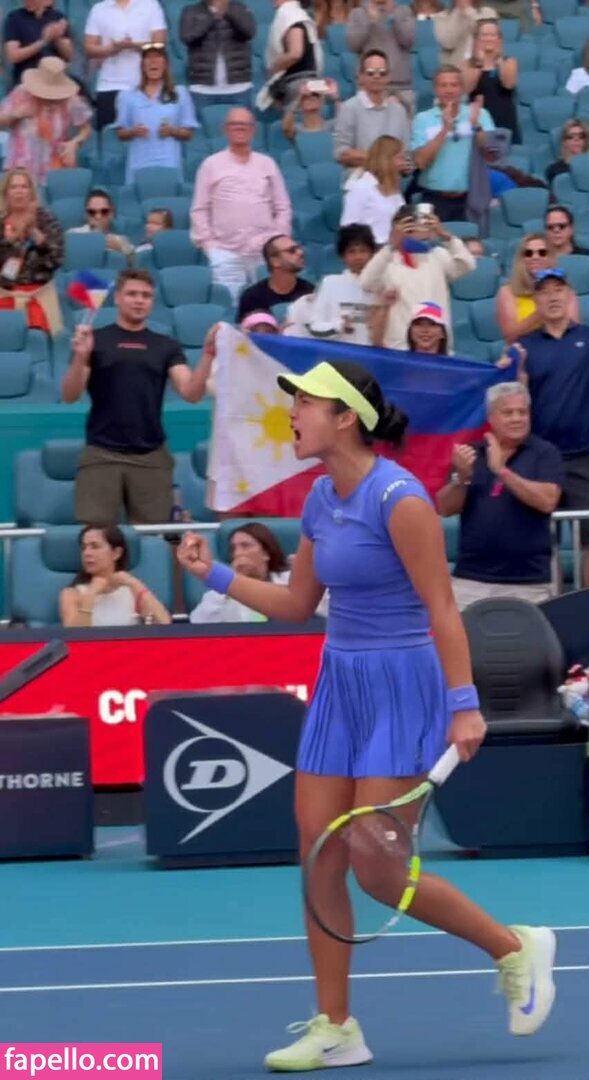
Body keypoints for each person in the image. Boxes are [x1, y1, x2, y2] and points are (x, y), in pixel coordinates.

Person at [178, 356, 556, 1070]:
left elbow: (442, 608)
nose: (292, 414)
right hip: (339, 685)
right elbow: (297, 604)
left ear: (344, 416)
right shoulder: (320, 498)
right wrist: (214, 574)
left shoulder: (401, 498)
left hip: (402, 685)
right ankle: (336, 1026)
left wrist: (464, 707)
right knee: (318, 851)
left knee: (377, 865)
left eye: (304, 403)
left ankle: (514, 948)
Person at [61, 269, 213, 526]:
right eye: (132, 294)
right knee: (95, 535)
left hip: (151, 455)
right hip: (101, 453)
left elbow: (191, 394)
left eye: (146, 295)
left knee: (154, 538)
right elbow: (69, 395)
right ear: (117, 298)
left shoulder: (166, 345)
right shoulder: (94, 341)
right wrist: (80, 357)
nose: (139, 300)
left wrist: (208, 355)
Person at [436, 382, 563, 610]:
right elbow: (445, 508)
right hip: (471, 580)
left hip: (530, 583)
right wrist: (462, 478)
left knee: (531, 636)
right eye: (508, 412)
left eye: (522, 412)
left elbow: (547, 501)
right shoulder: (470, 453)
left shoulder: (545, 453)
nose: (517, 419)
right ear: (491, 418)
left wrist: (501, 470)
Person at [518, 268, 589, 586]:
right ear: (536, 300)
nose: (552, 297)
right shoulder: (525, 348)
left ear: (569, 295)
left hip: (584, 456)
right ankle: (545, 609)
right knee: (540, 543)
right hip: (540, 458)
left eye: (558, 289)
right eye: (544, 291)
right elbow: (516, 398)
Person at [190, 107, 291, 305]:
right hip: (225, 252)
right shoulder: (211, 164)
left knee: (266, 307)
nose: (240, 129)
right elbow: (199, 209)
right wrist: (210, 245)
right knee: (230, 306)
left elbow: (283, 206)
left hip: (265, 252)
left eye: (245, 125)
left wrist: (278, 240)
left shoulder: (267, 164)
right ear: (225, 129)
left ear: (253, 130)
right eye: (235, 125)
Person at [360, 203, 475, 350]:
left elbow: (468, 264)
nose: (420, 229)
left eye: (425, 223)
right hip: (400, 347)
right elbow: (367, 282)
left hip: (438, 348)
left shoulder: (438, 256)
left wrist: (447, 237)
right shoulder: (388, 261)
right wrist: (391, 246)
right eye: (411, 225)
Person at [411, 64, 494, 222]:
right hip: (433, 198)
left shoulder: (479, 114)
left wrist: (476, 125)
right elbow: (420, 162)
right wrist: (444, 130)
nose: (449, 90)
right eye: (444, 85)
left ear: (461, 89)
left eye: (454, 85)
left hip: (471, 198)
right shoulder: (422, 119)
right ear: (435, 90)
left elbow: (491, 153)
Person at [0, 56, 93, 184]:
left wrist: (75, 143)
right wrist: (16, 114)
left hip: (54, 166)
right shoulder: (21, 93)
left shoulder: (71, 100)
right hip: (22, 168)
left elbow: (86, 129)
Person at [60, 524, 172, 627]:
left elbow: (164, 623)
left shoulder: (132, 590)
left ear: (116, 553)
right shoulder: (72, 594)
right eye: (84, 547)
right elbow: (75, 637)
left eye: (95, 546)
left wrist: (134, 583)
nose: (87, 553)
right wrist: (90, 595)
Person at [116, 42, 197, 184]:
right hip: (138, 165)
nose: (153, 61)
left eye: (158, 57)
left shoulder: (180, 93)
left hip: (169, 164)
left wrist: (172, 131)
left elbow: (188, 133)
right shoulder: (127, 96)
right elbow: (120, 133)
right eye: (148, 57)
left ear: (166, 64)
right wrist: (133, 132)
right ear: (142, 65)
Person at [84, 0, 167, 130]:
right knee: (109, 137)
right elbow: (89, 48)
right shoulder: (99, 9)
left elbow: (159, 44)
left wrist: (133, 45)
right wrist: (112, 49)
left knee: (145, 133)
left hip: (144, 85)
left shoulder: (150, 5)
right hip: (109, 85)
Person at [0, 166, 64, 335]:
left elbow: (57, 259)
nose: (19, 192)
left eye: (24, 186)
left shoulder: (46, 219)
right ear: (6, 193)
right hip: (5, 296)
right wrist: (8, 243)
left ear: (31, 192)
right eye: (14, 187)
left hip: (39, 296)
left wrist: (41, 243)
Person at [292, 223, 377, 344]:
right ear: (342, 256)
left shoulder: (384, 287)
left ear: (372, 254)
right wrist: (339, 326)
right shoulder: (330, 283)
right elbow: (315, 327)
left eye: (363, 251)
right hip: (339, 353)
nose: (358, 257)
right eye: (351, 252)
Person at [189, 523, 291, 623]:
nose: (237, 553)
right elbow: (197, 623)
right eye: (233, 548)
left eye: (245, 546)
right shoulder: (219, 593)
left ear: (266, 553)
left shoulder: (289, 581)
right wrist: (230, 586)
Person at [333, 50, 410, 179]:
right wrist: (384, 161)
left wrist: (403, 164)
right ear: (361, 76)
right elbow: (341, 153)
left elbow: (405, 153)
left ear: (389, 77)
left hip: (392, 184)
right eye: (370, 72)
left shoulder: (399, 111)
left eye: (382, 72)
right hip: (360, 182)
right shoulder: (349, 108)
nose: (376, 76)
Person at [496, 232, 579, 345]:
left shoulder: (566, 291)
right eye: (529, 253)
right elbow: (510, 338)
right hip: (524, 350)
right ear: (521, 259)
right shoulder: (507, 292)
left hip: (560, 348)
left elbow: (574, 333)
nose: (535, 257)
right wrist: (540, 313)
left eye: (542, 253)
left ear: (550, 257)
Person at [179, 0, 255, 117]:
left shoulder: (239, 8)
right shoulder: (191, 11)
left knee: (242, 126)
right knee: (200, 128)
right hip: (202, 89)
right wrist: (212, 16)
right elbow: (187, 37)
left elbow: (249, 32)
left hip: (239, 88)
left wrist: (228, 12)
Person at [346, 0, 416, 116]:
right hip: (369, 84)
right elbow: (353, 44)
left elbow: (408, 40)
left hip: (400, 85)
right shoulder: (358, 13)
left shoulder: (404, 11)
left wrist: (393, 15)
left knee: (402, 123)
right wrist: (369, 21)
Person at [340, 134, 405, 245]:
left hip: (395, 248)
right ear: (386, 160)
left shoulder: (395, 191)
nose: (403, 163)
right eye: (400, 158)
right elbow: (348, 227)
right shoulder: (361, 187)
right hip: (372, 248)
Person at [462, 20, 519, 143]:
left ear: (499, 39)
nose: (488, 39)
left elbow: (508, 83)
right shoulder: (468, 64)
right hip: (478, 122)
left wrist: (498, 59)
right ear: (476, 39)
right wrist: (480, 62)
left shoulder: (509, 61)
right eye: (484, 35)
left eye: (492, 35)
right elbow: (468, 88)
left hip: (505, 120)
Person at [261, 0, 323, 111]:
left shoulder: (290, 15)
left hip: (299, 84)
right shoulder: (298, 14)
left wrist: (273, 68)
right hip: (312, 81)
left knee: (297, 121)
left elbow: (295, 53)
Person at [237, 234, 314, 322]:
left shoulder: (310, 293)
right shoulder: (252, 297)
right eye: (291, 251)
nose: (300, 252)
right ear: (274, 261)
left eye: (299, 248)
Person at [3, 0, 73, 88]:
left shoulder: (57, 17)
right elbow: (13, 56)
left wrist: (57, 37)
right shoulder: (15, 18)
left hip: (54, 80)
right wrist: (43, 41)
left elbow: (69, 55)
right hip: (26, 81)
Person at [68, 188, 134, 262]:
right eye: (92, 212)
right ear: (86, 215)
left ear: (112, 214)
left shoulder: (121, 241)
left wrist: (120, 250)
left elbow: (135, 264)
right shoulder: (73, 235)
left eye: (104, 211)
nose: (98, 217)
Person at [434, 0, 497, 67]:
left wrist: (467, 10)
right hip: (455, 67)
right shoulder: (441, 16)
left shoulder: (488, 12)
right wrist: (458, 13)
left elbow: (483, 31)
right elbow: (448, 44)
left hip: (482, 65)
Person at [545, 119, 589, 187]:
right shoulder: (554, 170)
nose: (576, 139)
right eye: (571, 137)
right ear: (564, 142)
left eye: (581, 136)